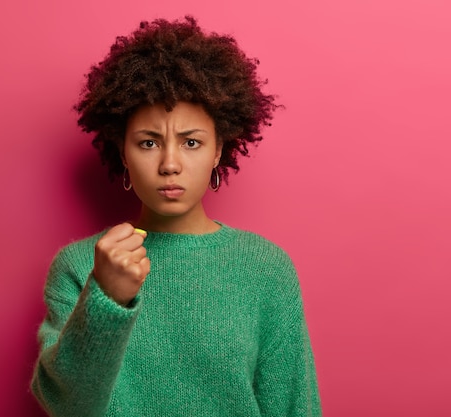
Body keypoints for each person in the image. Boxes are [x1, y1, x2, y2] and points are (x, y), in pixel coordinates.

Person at [30, 16, 321, 417]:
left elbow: (293, 408)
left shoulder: (265, 269)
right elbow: (68, 406)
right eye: (149, 142)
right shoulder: (81, 266)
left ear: (218, 149)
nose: (170, 163)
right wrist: (106, 297)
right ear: (122, 153)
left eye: (191, 142)